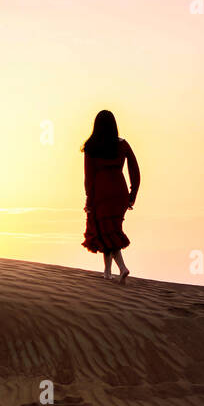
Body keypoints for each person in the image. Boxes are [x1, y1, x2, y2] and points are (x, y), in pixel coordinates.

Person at [81, 109, 140, 282]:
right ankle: (107, 271)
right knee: (110, 231)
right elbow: (135, 170)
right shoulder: (122, 144)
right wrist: (132, 194)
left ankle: (122, 268)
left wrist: (89, 199)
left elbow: (89, 177)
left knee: (107, 231)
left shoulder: (91, 146)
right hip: (119, 192)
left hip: (101, 193)